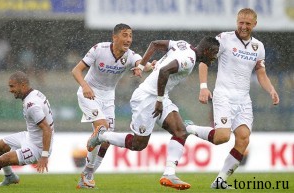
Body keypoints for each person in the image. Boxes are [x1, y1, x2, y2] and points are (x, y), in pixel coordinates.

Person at [87, 36, 219, 190]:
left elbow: (155, 44)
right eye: (214, 53)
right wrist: (160, 100)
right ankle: (102, 136)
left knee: (180, 131)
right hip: (147, 98)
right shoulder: (188, 60)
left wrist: (142, 66)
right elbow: (164, 71)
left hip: (158, 96)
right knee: (138, 144)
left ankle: (169, 175)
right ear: (207, 50)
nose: (215, 57)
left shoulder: (183, 45)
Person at [184, 8, 280, 189]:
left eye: (247, 24)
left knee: (244, 139)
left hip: (243, 99)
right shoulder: (224, 39)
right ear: (237, 21)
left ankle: (220, 181)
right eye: (240, 22)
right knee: (222, 137)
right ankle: (189, 128)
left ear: (255, 25)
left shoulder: (258, 46)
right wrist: (203, 87)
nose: (243, 27)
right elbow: (204, 61)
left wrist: (271, 89)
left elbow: (261, 72)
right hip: (224, 95)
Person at [71, 23, 153, 189]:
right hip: (89, 93)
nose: (128, 39)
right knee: (102, 128)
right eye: (124, 35)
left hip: (108, 97)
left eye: (130, 35)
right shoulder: (98, 49)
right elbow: (76, 70)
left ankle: (87, 174)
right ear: (114, 37)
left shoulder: (129, 56)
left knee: (106, 141)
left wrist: (147, 66)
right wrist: (85, 86)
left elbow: (142, 63)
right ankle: (88, 172)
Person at [0, 71, 54, 186]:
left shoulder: (32, 105)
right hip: (28, 136)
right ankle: (10, 177)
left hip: (37, 147)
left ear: (22, 85)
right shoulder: (35, 93)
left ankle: (9, 176)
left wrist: (44, 155)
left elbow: (47, 129)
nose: (10, 90)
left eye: (12, 86)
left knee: (2, 160)